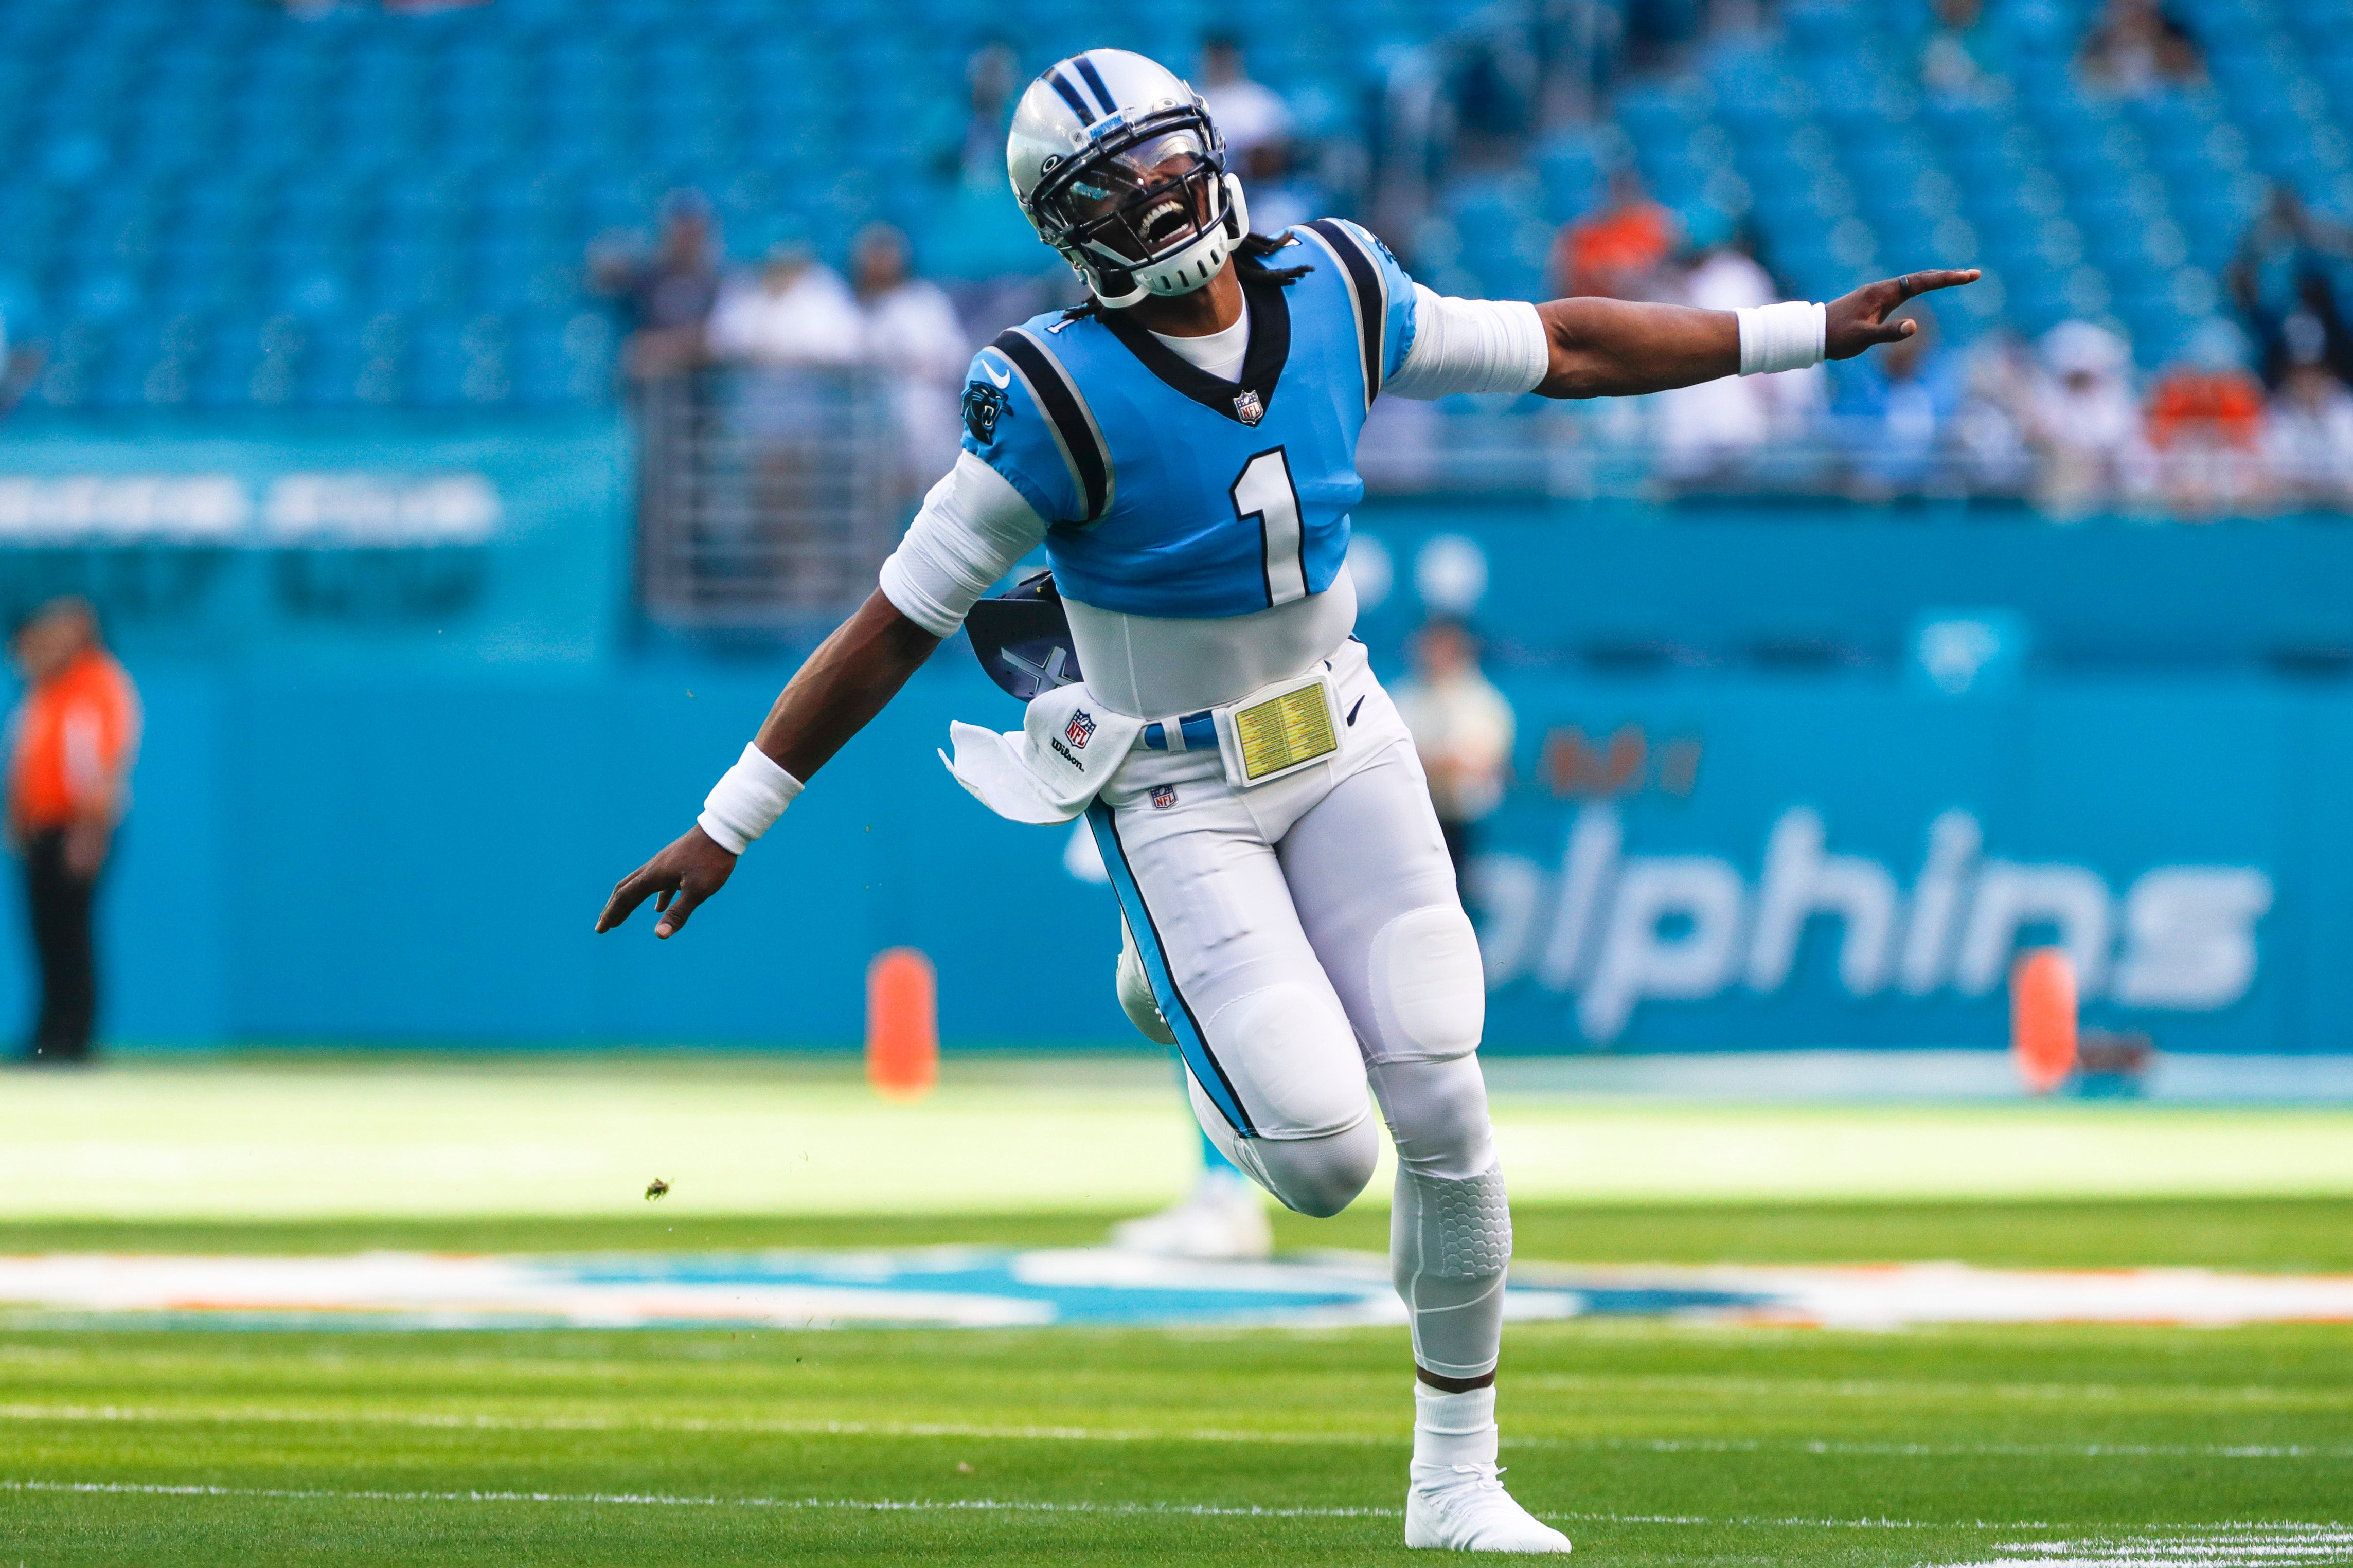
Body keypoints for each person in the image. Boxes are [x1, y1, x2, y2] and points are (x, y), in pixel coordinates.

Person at [596, 47, 1972, 1553]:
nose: (1163, 190)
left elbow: (1563, 344)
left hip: (1348, 737)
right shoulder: (1049, 391)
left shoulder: (1335, 284)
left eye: (1169, 155)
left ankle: (1456, 1477)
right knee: (1320, 1162)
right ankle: (1166, 981)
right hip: (1173, 781)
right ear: (1069, 228)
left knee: (1445, 1093)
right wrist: (731, 818)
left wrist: (1800, 333)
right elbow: (896, 619)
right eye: (1115, 181)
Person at [6, 598, 139, 1066]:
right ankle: (48, 1037)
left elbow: (99, 763)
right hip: (42, 831)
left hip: (77, 827)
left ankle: (74, 1041)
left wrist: (90, 828)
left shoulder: (96, 682)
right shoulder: (45, 688)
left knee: (71, 935)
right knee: (45, 936)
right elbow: (25, 762)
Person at [1392, 619, 1513, 891]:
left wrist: (1432, 761)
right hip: (1410, 822)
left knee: (1461, 897)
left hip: (1463, 824)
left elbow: (1477, 761)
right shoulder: (1401, 696)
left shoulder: (1483, 701)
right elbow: (1391, 756)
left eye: (1445, 647)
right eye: (1431, 646)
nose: (1436, 655)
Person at [851, 224, 973, 489]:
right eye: (873, 257)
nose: (879, 264)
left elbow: (956, 356)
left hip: (925, 411)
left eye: (885, 256)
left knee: (933, 490)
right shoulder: (854, 306)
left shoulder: (925, 300)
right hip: (869, 418)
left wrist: (911, 361)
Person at [587, 189, 724, 379]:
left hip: (702, 388)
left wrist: (671, 347)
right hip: (651, 388)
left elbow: (719, 342)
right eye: (682, 234)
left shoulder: (716, 283)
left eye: (693, 234)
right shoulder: (647, 279)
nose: (687, 242)